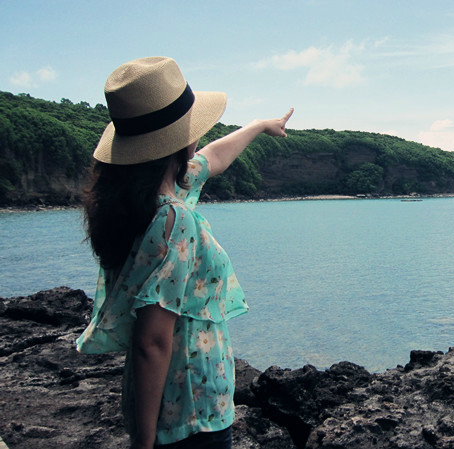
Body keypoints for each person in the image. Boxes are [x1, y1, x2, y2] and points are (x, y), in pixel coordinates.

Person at [76, 56, 293, 449]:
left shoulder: (138, 198)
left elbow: (215, 157)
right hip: (190, 416)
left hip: (173, 408)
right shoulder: (174, 220)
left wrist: (261, 126)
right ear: (178, 140)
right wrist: (143, 444)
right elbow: (152, 340)